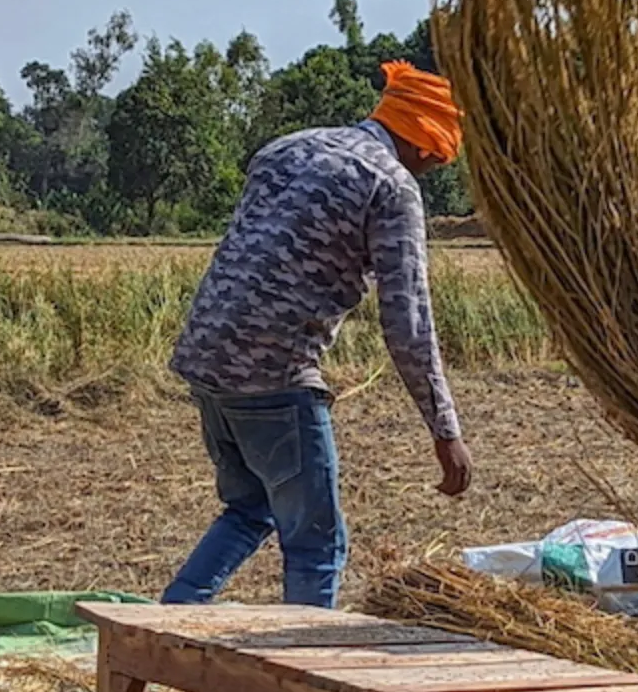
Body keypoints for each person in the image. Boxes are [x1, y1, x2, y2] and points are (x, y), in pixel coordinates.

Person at [164, 61, 475, 617]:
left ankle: (157, 634)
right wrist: (444, 429)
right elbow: (408, 320)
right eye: (436, 161)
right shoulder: (390, 185)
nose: (430, 170)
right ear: (429, 147)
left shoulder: (286, 148)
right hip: (274, 374)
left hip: (206, 355)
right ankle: (303, 685)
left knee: (250, 508)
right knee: (317, 545)